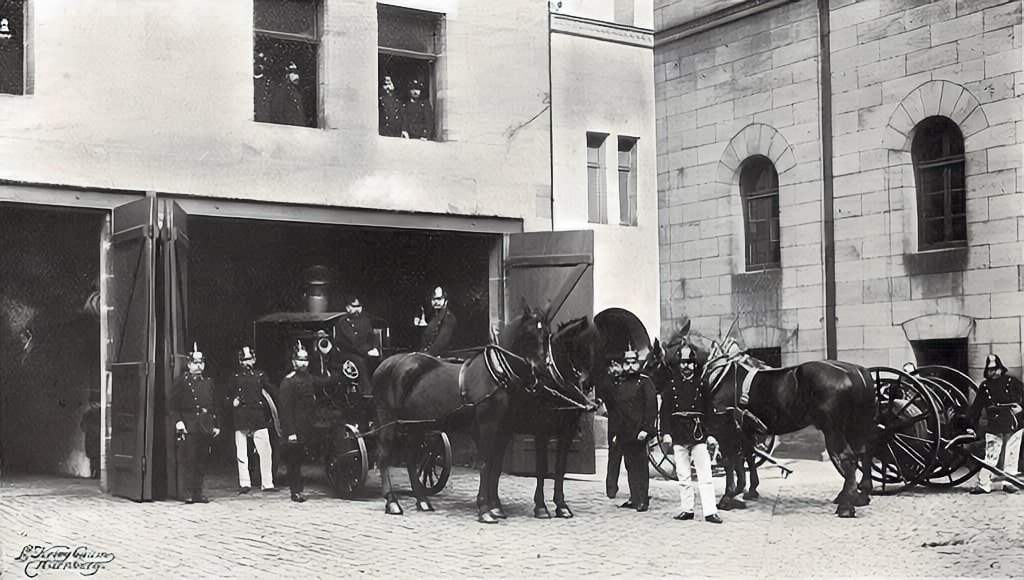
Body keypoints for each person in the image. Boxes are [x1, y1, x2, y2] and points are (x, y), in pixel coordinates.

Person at [660, 345, 722, 523]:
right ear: (679, 365)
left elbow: (709, 411)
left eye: (689, 363)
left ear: (695, 366)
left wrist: (711, 434)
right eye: (683, 363)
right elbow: (664, 412)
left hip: (698, 432)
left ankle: (710, 511)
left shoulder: (702, 386)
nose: (686, 366)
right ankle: (687, 509)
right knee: (683, 474)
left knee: (705, 475)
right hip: (679, 432)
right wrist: (666, 433)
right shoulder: (670, 387)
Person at [600, 349, 657, 512]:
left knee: (640, 465)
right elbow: (616, 410)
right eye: (627, 363)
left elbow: (651, 408)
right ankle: (634, 497)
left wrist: (646, 429)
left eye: (634, 362)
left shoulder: (645, 382)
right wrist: (616, 433)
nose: (631, 366)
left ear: (638, 363)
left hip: (639, 431)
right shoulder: (619, 383)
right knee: (629, 465)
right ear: (623, 365)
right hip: (625, 431)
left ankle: (643, 499)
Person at [171, 344, 221, 504]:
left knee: (202, 461)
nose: (198, 366)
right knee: (190, 460)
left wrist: (217, 424)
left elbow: (215, 404)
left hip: (205, 425)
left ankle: (199, 493)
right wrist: (178, 422)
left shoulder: (209, 382)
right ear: (189, 364)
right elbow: (172, 405)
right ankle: (188, 493)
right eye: (195, 363)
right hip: (189, 424)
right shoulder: (182, 381)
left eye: (201, 363)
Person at [968, 354, 1023, 494]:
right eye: (990, 369)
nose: (994, 372)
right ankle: (984, 483)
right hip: (995, 423)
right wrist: (971, 425)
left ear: (1000, 368)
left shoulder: (1012, 381)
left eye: (996, 369)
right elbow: (977, 407)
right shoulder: (984, 386)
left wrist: (1021, 408)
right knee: (991, 454)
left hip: (1013, 421)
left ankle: (1009, 482)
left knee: (1012, 454)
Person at [228, 345, 277, 494]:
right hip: (242, 416)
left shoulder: (261, 376)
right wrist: (232, 402)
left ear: (254, 360)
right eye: (244, 360)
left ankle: (267, 482)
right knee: (241, 453)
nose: (247, 362)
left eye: (249, 359)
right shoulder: (235, 378)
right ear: (240, 361)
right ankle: (245, 482)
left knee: (265, 451)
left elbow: (270, 392)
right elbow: (226, 395)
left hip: (258, 416)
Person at [277, 341, 319, 503]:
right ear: (294, 362)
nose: (303, 363)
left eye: (305, 360)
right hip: (295, 427)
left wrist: (342, 376)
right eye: (300, 360)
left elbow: (322, 382)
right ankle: (295, 491)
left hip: (307, 425)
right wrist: (291, 432)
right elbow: (286, 410)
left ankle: (298, 489)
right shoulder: (289, 382)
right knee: (294, 461)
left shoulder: (308, 378)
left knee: (299, 458)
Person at [335, 295, 381, 396]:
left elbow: (372, 337)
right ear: (347, 308)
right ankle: (367, 392)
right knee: (361, 362)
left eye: (359, 307)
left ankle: (382, 390)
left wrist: (375, 349)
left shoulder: (366, 321)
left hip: (366, 351)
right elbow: (352, 343)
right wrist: (366, 353)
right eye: (354, 306)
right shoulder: (344, 322)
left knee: (382, 362)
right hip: (349, 353)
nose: (357, 309)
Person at [597, 357, 624, 499]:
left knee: (633, 457)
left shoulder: (627, 380)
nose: (616, 369)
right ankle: (611, 487)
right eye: (614, 365)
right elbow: (600, 404)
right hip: (615, 423)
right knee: (614, 456)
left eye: (618, 365)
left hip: (630, 423)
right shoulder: (606, 384)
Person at [415, 286, 457, 356]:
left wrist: (424, 356)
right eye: (433, 299)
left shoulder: (449, 319)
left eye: (439, 299)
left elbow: (440, 343)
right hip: (427, 358)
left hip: (443, 361)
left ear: (446, 301)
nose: (436, 302)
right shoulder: (432, 317)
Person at [269, 61, 306, 127]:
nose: (296, 76)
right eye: (292, 72)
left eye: (297, 72)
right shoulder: (282, 90)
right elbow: (277, 112)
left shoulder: (296, 91)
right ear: (287, 74)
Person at [80, 390, 101, 479]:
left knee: (97, 457)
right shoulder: (88, 414)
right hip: (91, 438)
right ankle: (93, 472)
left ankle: (97, 473)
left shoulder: (100, 414)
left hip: (96, 438)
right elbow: (83, 427)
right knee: (93, 456)